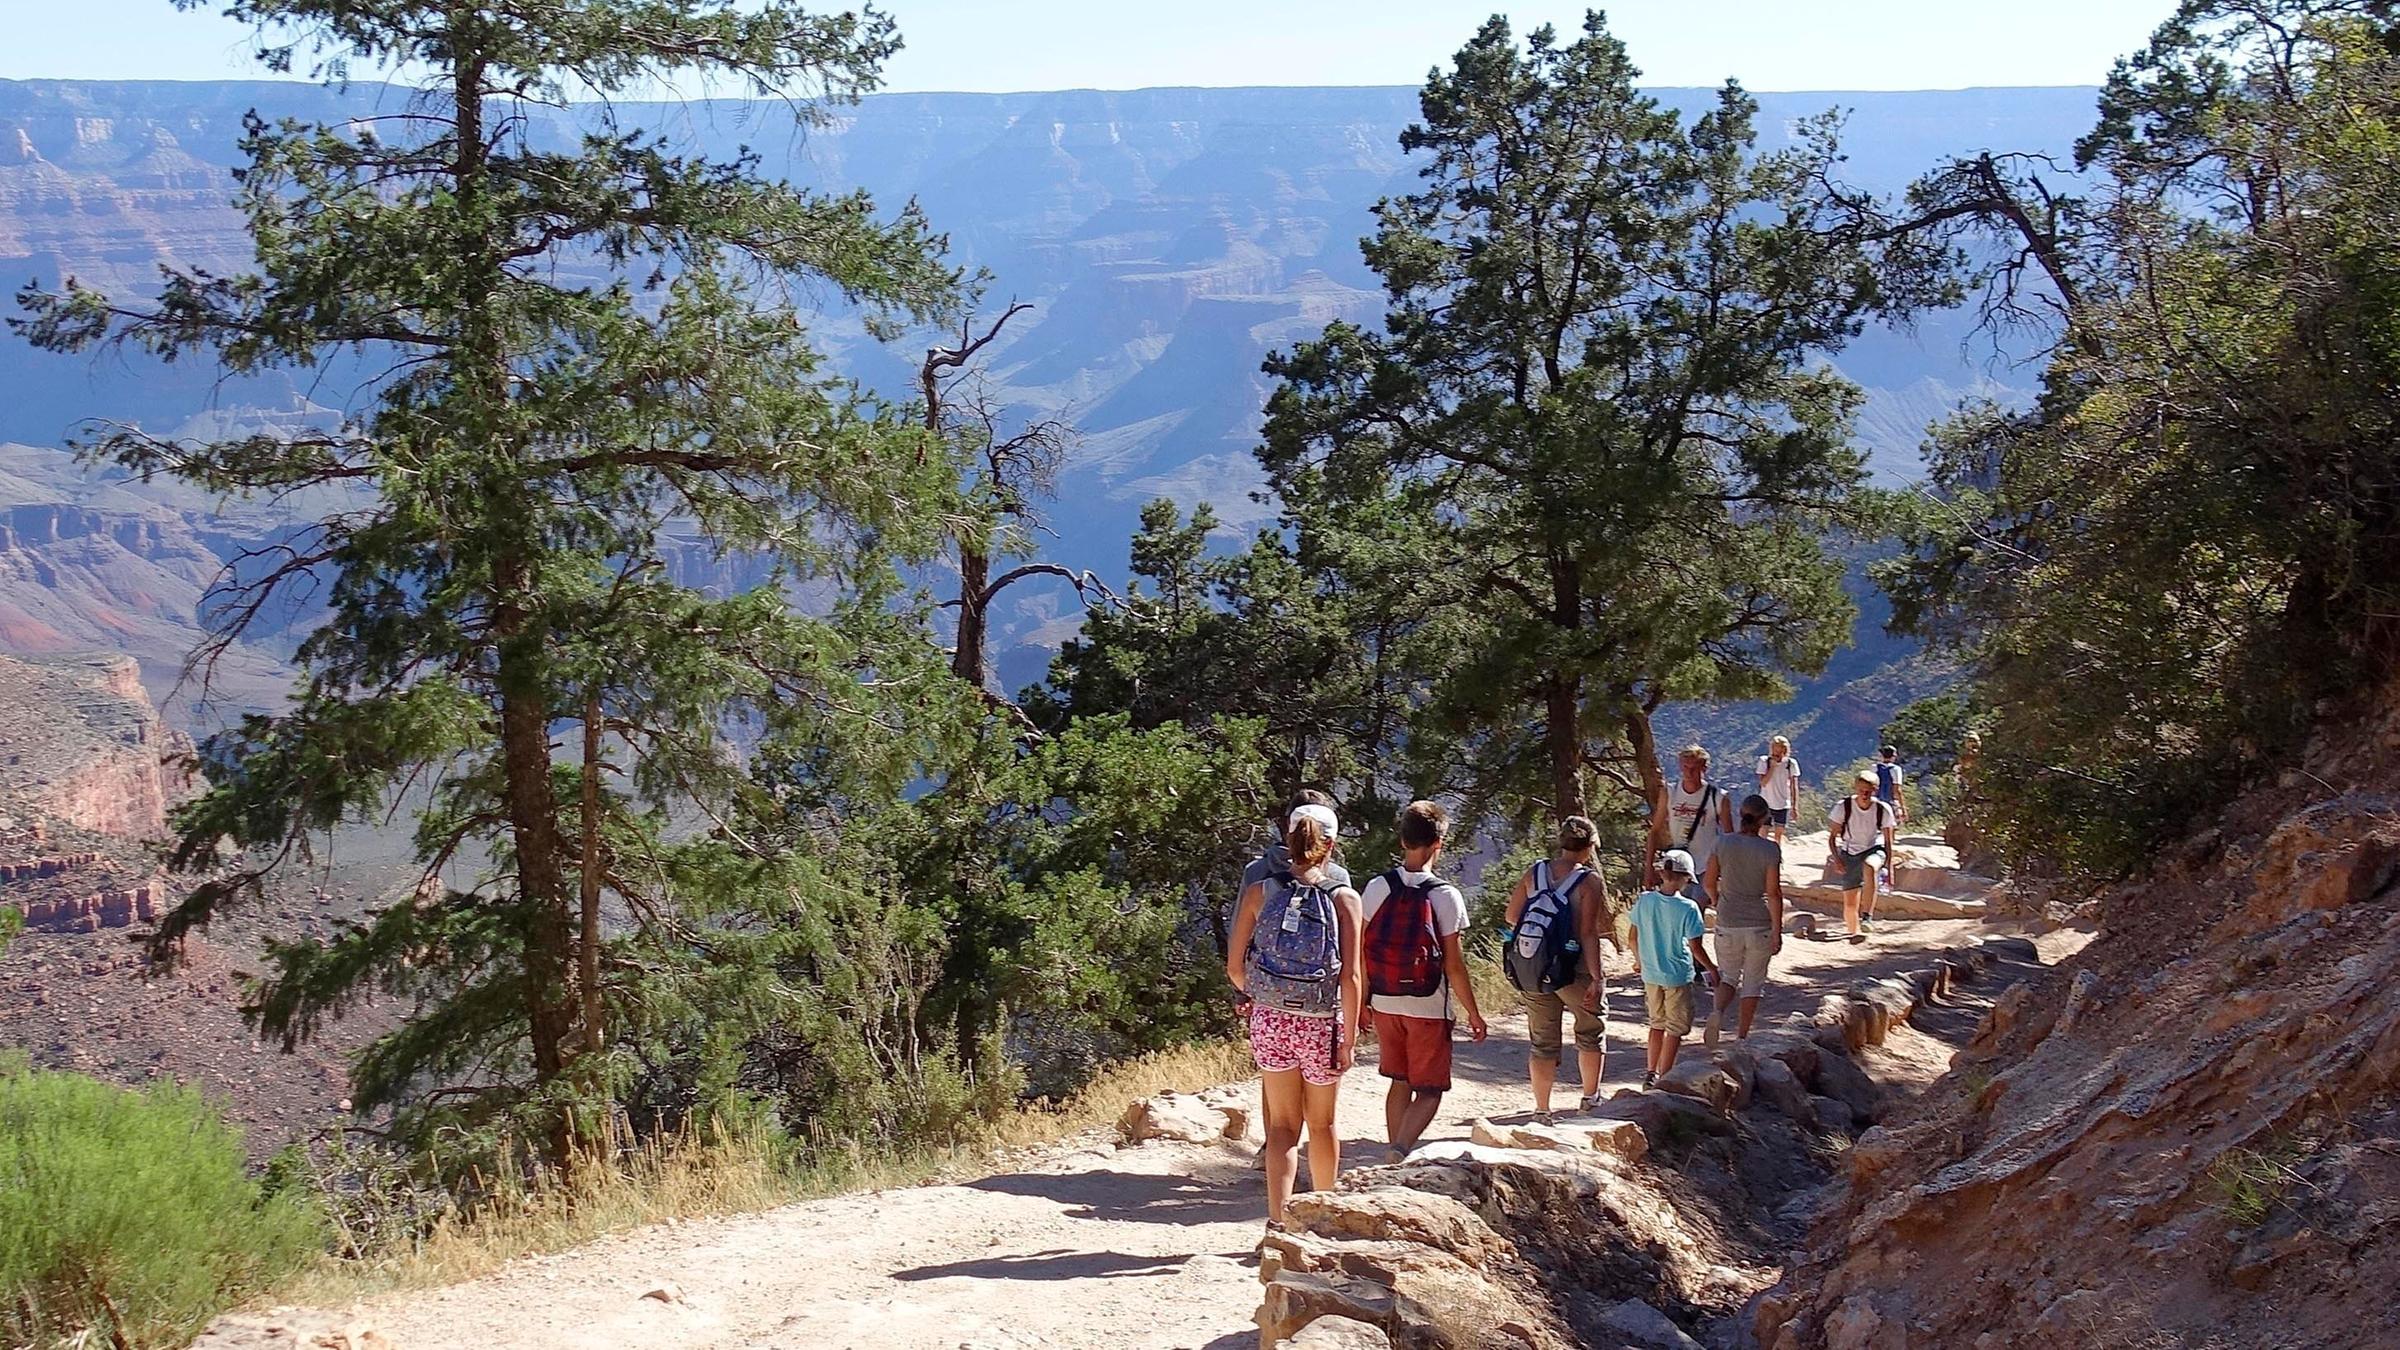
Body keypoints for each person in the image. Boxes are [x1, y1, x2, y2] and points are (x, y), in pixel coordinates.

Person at [1226, 803, 1364, 1228]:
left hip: (1270, 1019)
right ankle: (1322, 1217)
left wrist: (1265, 995)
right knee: (1321, 1125)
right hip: (1321, 1022)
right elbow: (1353, 976)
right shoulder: (1345, 898)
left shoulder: (1259, 891)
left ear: (1287, 841)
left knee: (1283, 1127)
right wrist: (1349, 1038)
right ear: (1331, 846)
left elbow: (1234, 967)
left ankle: (1277, 1222)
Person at [1359, 800, 1487, 1162]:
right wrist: (1473, 1013)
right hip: (1428, 1004)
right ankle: (1399, 1150)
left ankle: (1393, 1152)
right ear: (1438, 845)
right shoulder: (1445, 895)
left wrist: (1363, 1002)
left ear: (1402, 841)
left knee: (1400, 1081)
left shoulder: (1376, 888)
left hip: (1384, 1000)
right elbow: (1454, 965)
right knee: (1429, 1090)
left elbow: (1361, 951)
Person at [1503, 816, 1614, 1115]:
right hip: (1572, 970)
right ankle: (1590, 1100)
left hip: (1535, 968)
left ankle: (1541, 1110)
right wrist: (1597, 977)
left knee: (1542, 1042)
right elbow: (1589, 932)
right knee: (1591, 1030)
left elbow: (1512, 916)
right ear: (1589, 846)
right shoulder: (1588, 880)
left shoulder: (1535, 871)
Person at [1627, 849, 1716, 1089]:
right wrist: (1712, 969)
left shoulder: (1644, 900)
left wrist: (1639, 960)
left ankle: (1650, 1073)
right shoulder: (1688, 908)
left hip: (1651, 973)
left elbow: (1632, 938)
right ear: (1686, 877)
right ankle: (1664, 1078)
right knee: (1675, 1028)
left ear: (1662, 873)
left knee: (1656, 1023)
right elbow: (1695, 947)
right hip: (1677, 974)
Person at [1705, 796, 1784, 1044]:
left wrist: (1717, 901)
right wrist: (1777, 931)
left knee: (1728, 976)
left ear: (1740, 814)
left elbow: (1708, 883)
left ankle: (1717, 1012)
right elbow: (1773, 893)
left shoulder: (1722, 843)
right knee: (1753, 983)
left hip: (1728, 920)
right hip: (1759, 922)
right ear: (1764, 819)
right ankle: (1741, 1037)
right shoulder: (1770, 850)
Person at [1654, 744, 1732, 907]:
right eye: (1685, 767)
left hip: (1705, 866)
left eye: (1694, 768)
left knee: (1696, 912)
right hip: (1677, 866)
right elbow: (1654, 830)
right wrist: (1649, 869)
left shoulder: (1717, 797)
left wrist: (1724, 871)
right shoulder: (1670, 793)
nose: (1689, 773)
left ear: (1704, 768)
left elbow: (1729, 838)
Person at [1829, 769, 1899, 944]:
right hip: (1849, 852)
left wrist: (1890, 867)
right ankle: (1854, 932)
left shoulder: (1883, 809)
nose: (1864, 794)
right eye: (1861, 790)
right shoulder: (1843, 807)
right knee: (1850, 903)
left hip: (1873, 848)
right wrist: (1837, 859)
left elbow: (1889, 840)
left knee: (1869, 867)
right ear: (1855, 789)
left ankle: (1867, 916)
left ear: (1875, 790)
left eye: (1868, 791)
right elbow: (1832, 837)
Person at [1755, 736, 1802, 844]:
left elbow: (1794, 786)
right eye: (1775, 751)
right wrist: (1772, 768)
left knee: (1779, 833)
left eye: (1780, 752)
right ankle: (1762, 855)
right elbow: (1763, 783)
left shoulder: (1791, 764)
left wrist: (1795, 807)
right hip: (1765, 802)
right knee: (1763, 831)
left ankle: (1776, 855)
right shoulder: (1764, 761)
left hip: (1783, 803)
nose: (1777, 755)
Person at [1874, 746, 1907, 825]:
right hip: (1890, 801)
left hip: (1875, 801)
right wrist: (1903, 808)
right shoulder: (1896, 769)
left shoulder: (1874, 768)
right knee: (1890, 825)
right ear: (1893, 756)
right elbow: (1897, 790)